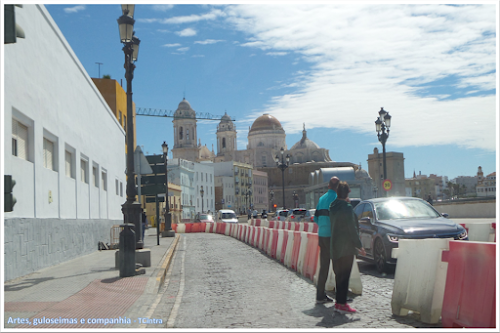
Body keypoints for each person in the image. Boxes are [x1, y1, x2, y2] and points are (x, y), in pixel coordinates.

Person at [329, 181, 366, 314]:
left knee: (339, 276)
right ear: (348, 193)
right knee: (345, 277)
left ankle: (338, 303)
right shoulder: (347, 207)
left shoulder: (332, 207)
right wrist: (359, 246)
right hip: (346, 248)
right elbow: (352, 229)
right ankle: (342, 304)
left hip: (334, 247)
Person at [313, 176, 340, 304]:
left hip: (322, 236)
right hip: (333, 237)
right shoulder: (337, 199)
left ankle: (320, 296)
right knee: (338, 267)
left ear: (328, 186)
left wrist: (323, 226)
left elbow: (316, 218)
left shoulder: (321, 198)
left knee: (324, 267)